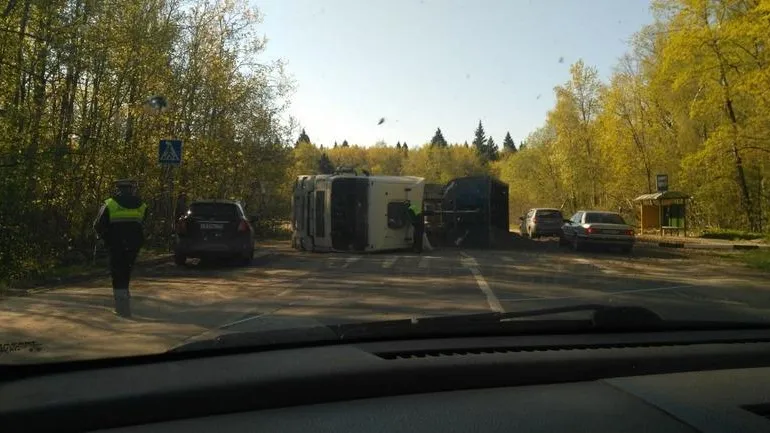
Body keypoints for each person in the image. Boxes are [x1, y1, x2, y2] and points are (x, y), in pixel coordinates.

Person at [93, 179, 148, 318]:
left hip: (115, 244)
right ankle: (125, 300)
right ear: (131, 189)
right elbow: (145, 223)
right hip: (134, 245)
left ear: (118, 189)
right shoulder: (141, 204)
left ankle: (122, 308)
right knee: (126, 272)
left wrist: (104, 238)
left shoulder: (110, 203)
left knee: (117, 274)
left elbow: (98, 224)